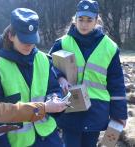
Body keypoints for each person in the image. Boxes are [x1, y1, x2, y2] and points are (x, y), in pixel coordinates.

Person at [0, 8, 68, 147]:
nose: (29, 45)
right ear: (11, 36)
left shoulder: (43, 59)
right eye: (24, 40)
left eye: (32, 40)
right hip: (16, 142)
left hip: (48, 137)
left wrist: (54, 98)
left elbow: (53, 88)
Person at [48, 0, 128, 147]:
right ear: (75, 19)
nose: (84, 24)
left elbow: (116, 83)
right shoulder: (62, 43)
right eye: (81, 19)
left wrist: (120, 114)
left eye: (89, 20)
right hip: (69, 108)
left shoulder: (110, 47)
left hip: (96, 111)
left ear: (96, 20)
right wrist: (59, 77)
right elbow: (47, 67)